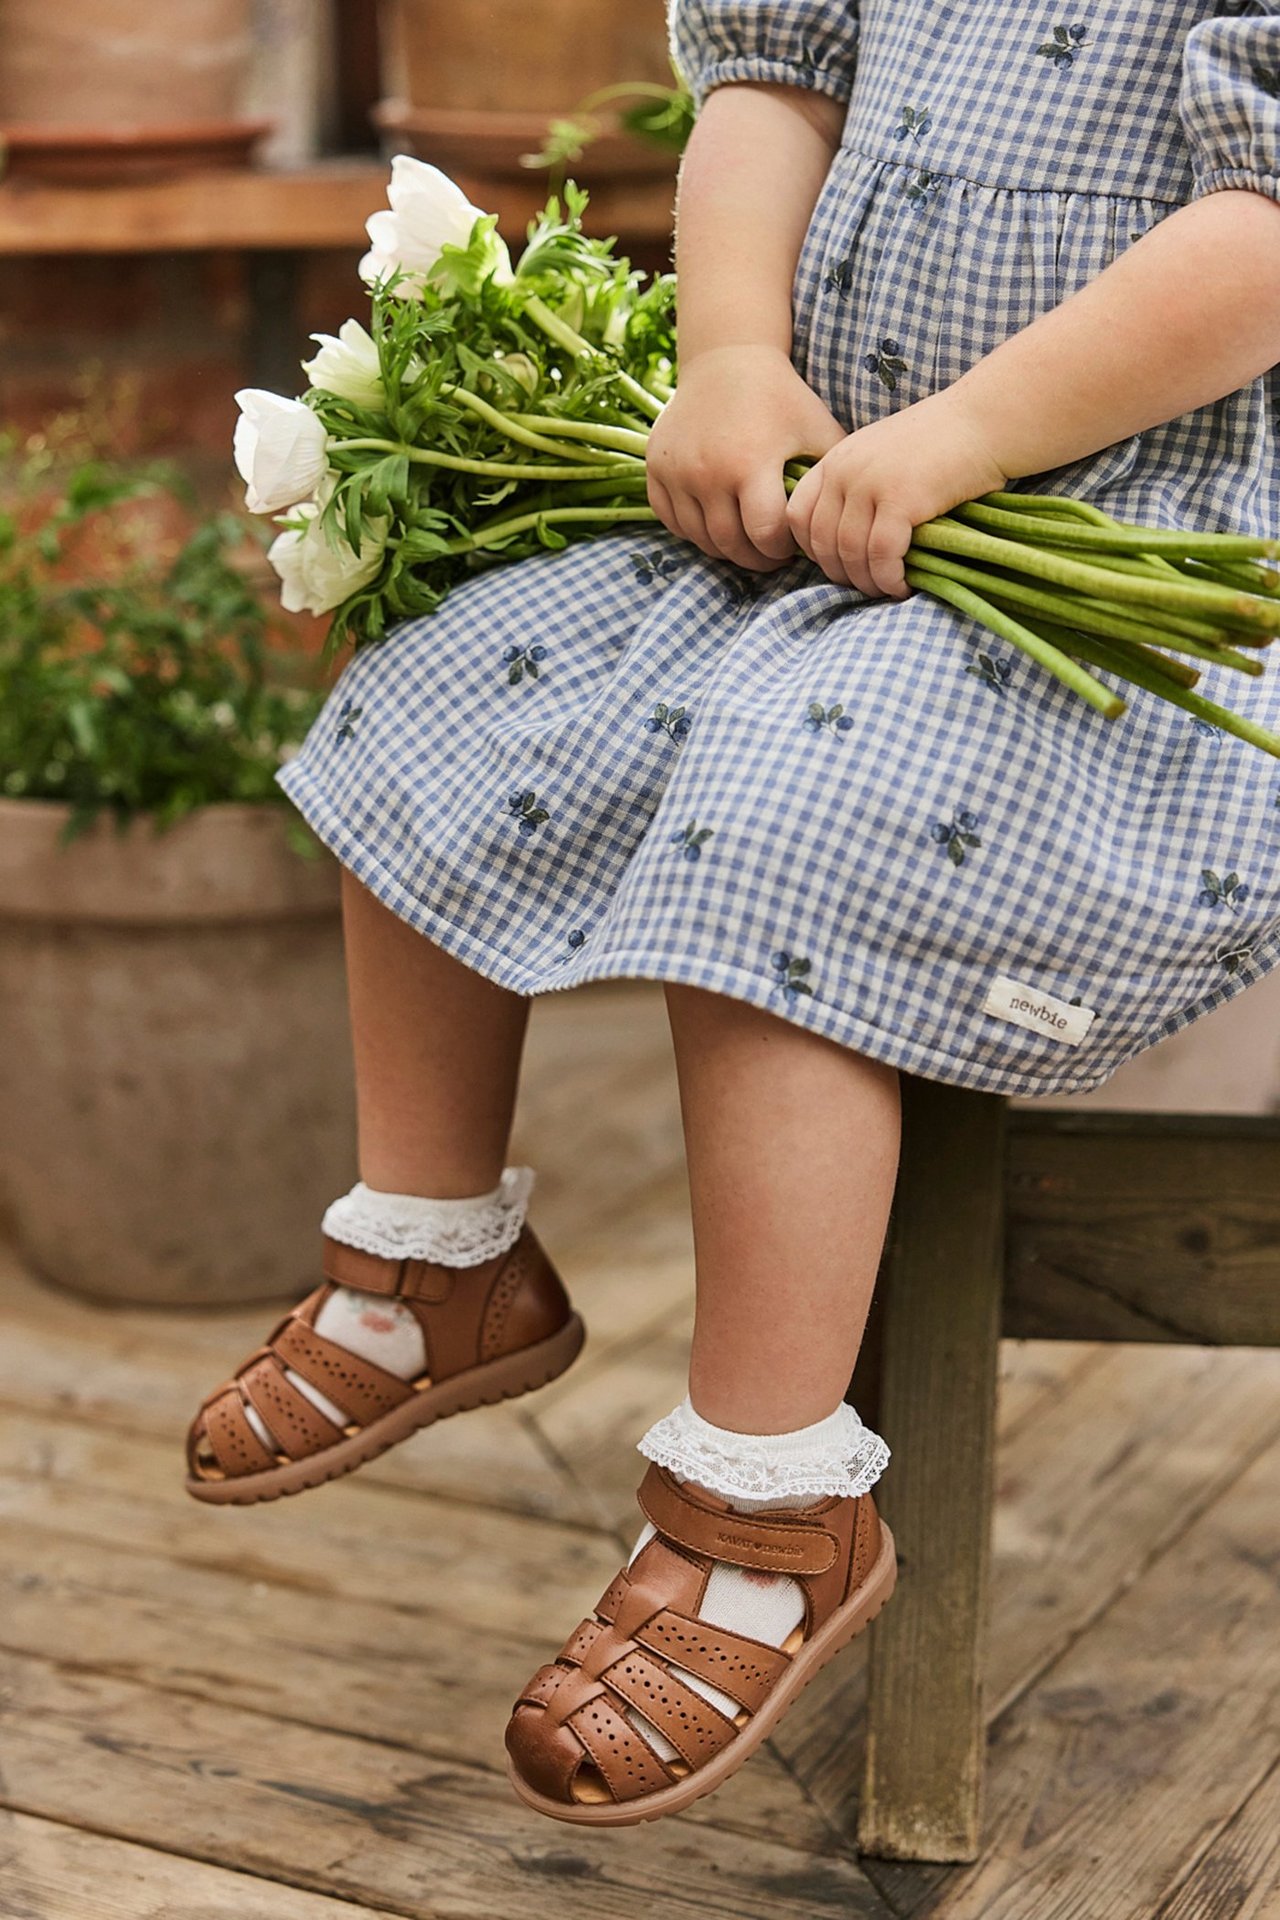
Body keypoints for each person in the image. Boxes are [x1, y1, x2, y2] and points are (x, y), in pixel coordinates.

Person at [185, 0, 1280, 1825]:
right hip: (824, 502)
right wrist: (733, 354)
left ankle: (772, 1499)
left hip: (1138, 583)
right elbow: (776, 79)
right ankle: (434, 1253)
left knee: (788, 814)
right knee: (459, 667)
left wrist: (966, 442)